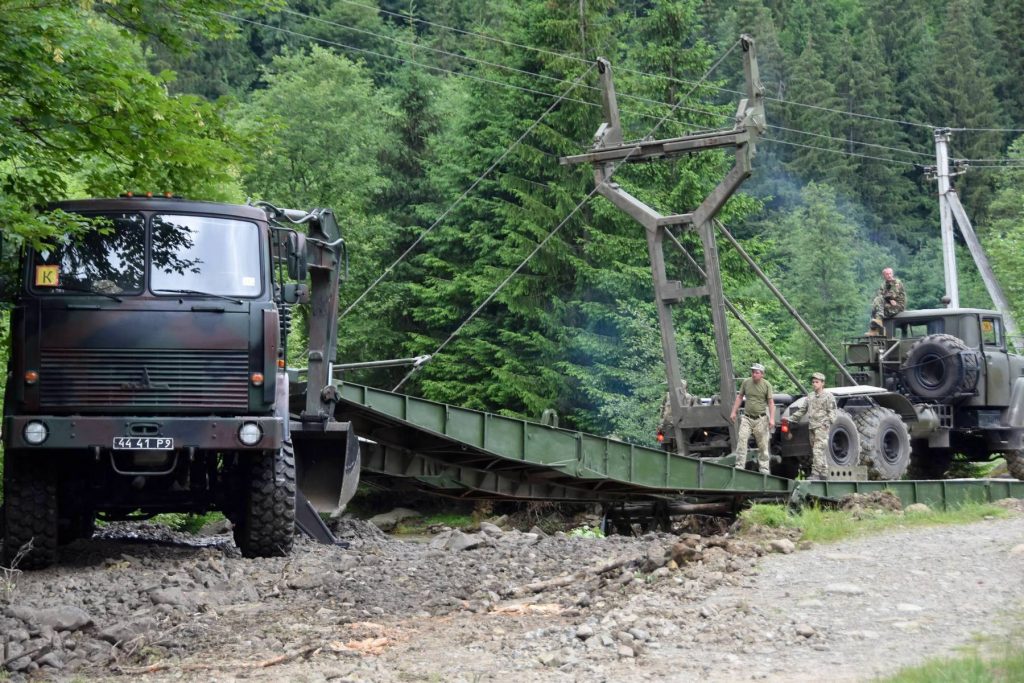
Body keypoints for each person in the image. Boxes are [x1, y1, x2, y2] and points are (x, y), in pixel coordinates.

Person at [787, 372, 837, 480]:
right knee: (818, 451)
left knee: (817, 450)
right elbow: (802, 410)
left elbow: (832, 412)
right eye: (813, 382)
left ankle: (815, 474)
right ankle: (824, 473)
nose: (814, 384)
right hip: (812, 427)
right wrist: (791, 418)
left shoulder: (828, 396)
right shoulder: (810, 396)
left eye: (817, 382)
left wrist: (827, 423)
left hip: (822, 427)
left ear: (822, 383)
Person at [729, 363, 775, 474]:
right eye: (753, 372)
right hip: (747, 418)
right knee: (742, 439)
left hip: (761, 419)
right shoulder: (746, 382)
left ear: (762, 374)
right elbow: (740, 397)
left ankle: (764, 467)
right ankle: (740, 465)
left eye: (757, 372)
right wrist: (733, 412)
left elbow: (770, 402)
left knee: (763, 443)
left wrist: (772, 419)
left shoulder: (766, 385)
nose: (754, 374)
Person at [867, 267, 906, 335]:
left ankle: (879, 325)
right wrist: (889, 299)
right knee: (875, 307)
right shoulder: (883, 284)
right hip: (888, 305)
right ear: (884, 276)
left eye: (890, 273)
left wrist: (889, 298)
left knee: (878, 303)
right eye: (887, 274)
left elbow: (892, 295)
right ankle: (874, 329)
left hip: (898, 306)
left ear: (892, 274)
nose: (889, 275)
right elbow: (879, 295)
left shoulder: (897, 283)